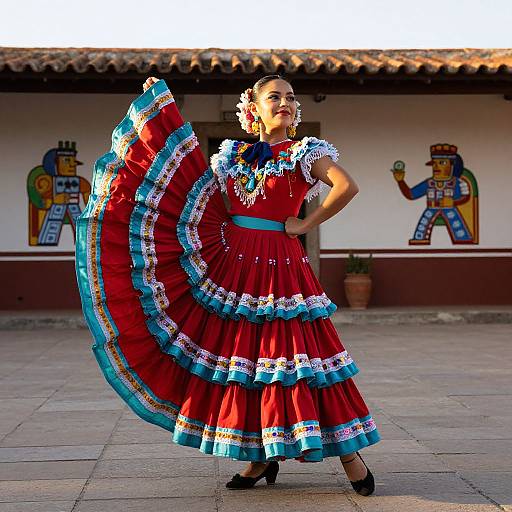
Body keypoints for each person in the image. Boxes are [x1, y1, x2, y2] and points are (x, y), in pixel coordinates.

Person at [75, 74, 380, 496]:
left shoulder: (304, 152)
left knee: (302, 358)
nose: (285, 103)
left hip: (280, 268)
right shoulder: (231, 157)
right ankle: (260, 457)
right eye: (274, 97)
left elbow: (347, 185)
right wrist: (158, 113)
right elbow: (186, 190)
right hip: (234, 269)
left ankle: (349, 454)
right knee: (248, 363)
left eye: (291, 98)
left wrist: (306, 223)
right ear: (253, 109)